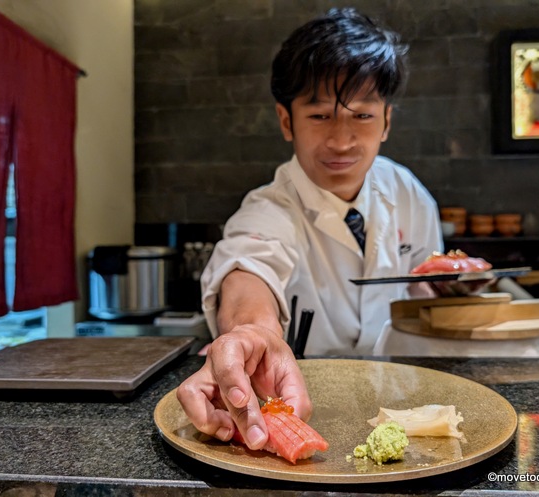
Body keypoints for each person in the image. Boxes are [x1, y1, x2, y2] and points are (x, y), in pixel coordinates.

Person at [176, 8, 443, 450]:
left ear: (387, 120)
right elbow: (249, 267)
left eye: (361, 116)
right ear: (287, 121)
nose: (341, 140)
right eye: (320, 117)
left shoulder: (410, 195)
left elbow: (424, 286)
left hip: (402, 413)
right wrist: (252, 333)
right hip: (304, 413)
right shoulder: (269, 207)